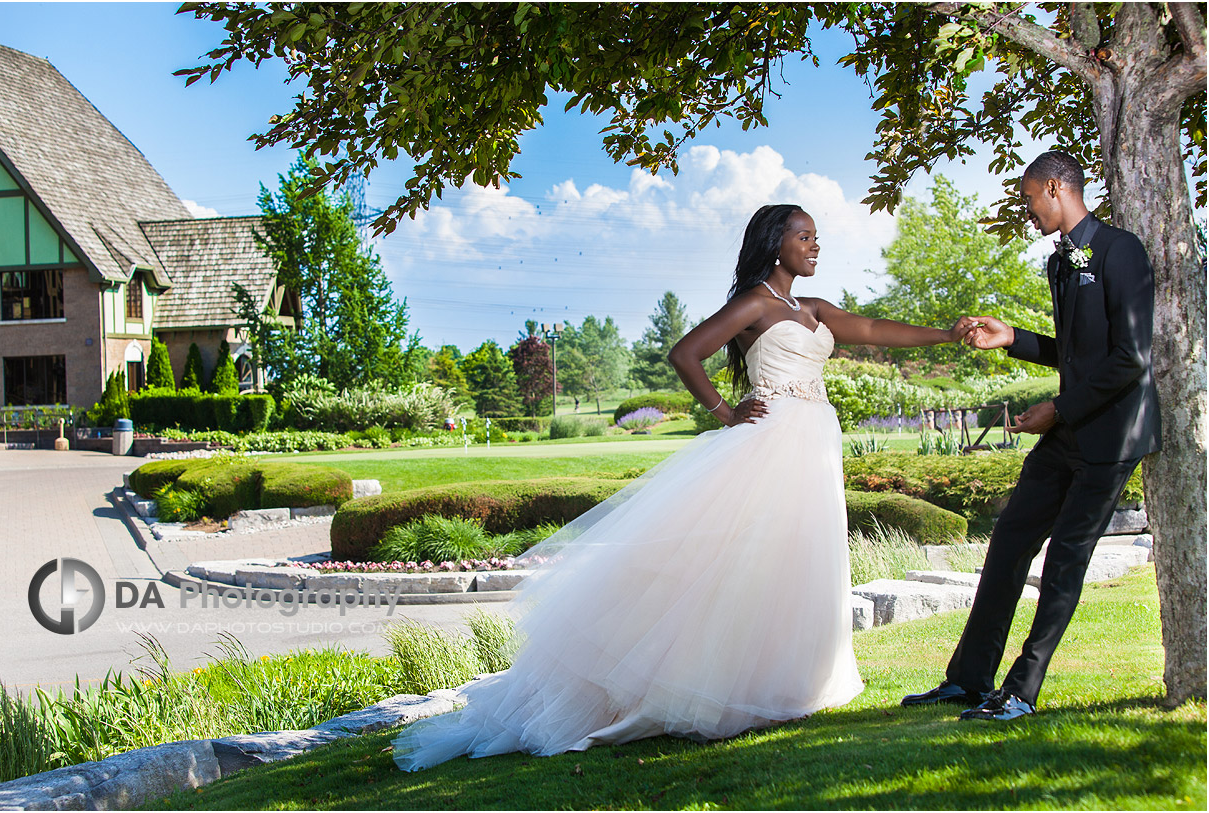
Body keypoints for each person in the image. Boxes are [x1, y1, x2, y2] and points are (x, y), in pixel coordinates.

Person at [391, 204, 976, 771]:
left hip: (813, 446)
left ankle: (781, 684)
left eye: (817, 236)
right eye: (805, 236)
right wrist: (724, 411)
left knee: (795, 564)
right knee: (735, 564)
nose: (815, 245)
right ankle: (697, 687)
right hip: (769, 443)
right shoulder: (754, 305)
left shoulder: (814, 308)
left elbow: (873, 328)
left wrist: (948, 334)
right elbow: (685, 352)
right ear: (777, 243)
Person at [901, 150, 1161, 722]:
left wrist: (1058, 408)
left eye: (1027, 200)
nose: (1027, 212)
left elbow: (1132, 359)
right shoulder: (1059, 263)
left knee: (1065, 562)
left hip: (1113, 435)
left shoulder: (1123, 252)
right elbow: (1073, 352)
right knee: (1008, 545)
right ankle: (969, 681)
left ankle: (1020, 691)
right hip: (1067, 430)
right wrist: (1011, 337)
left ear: (1053, 188)